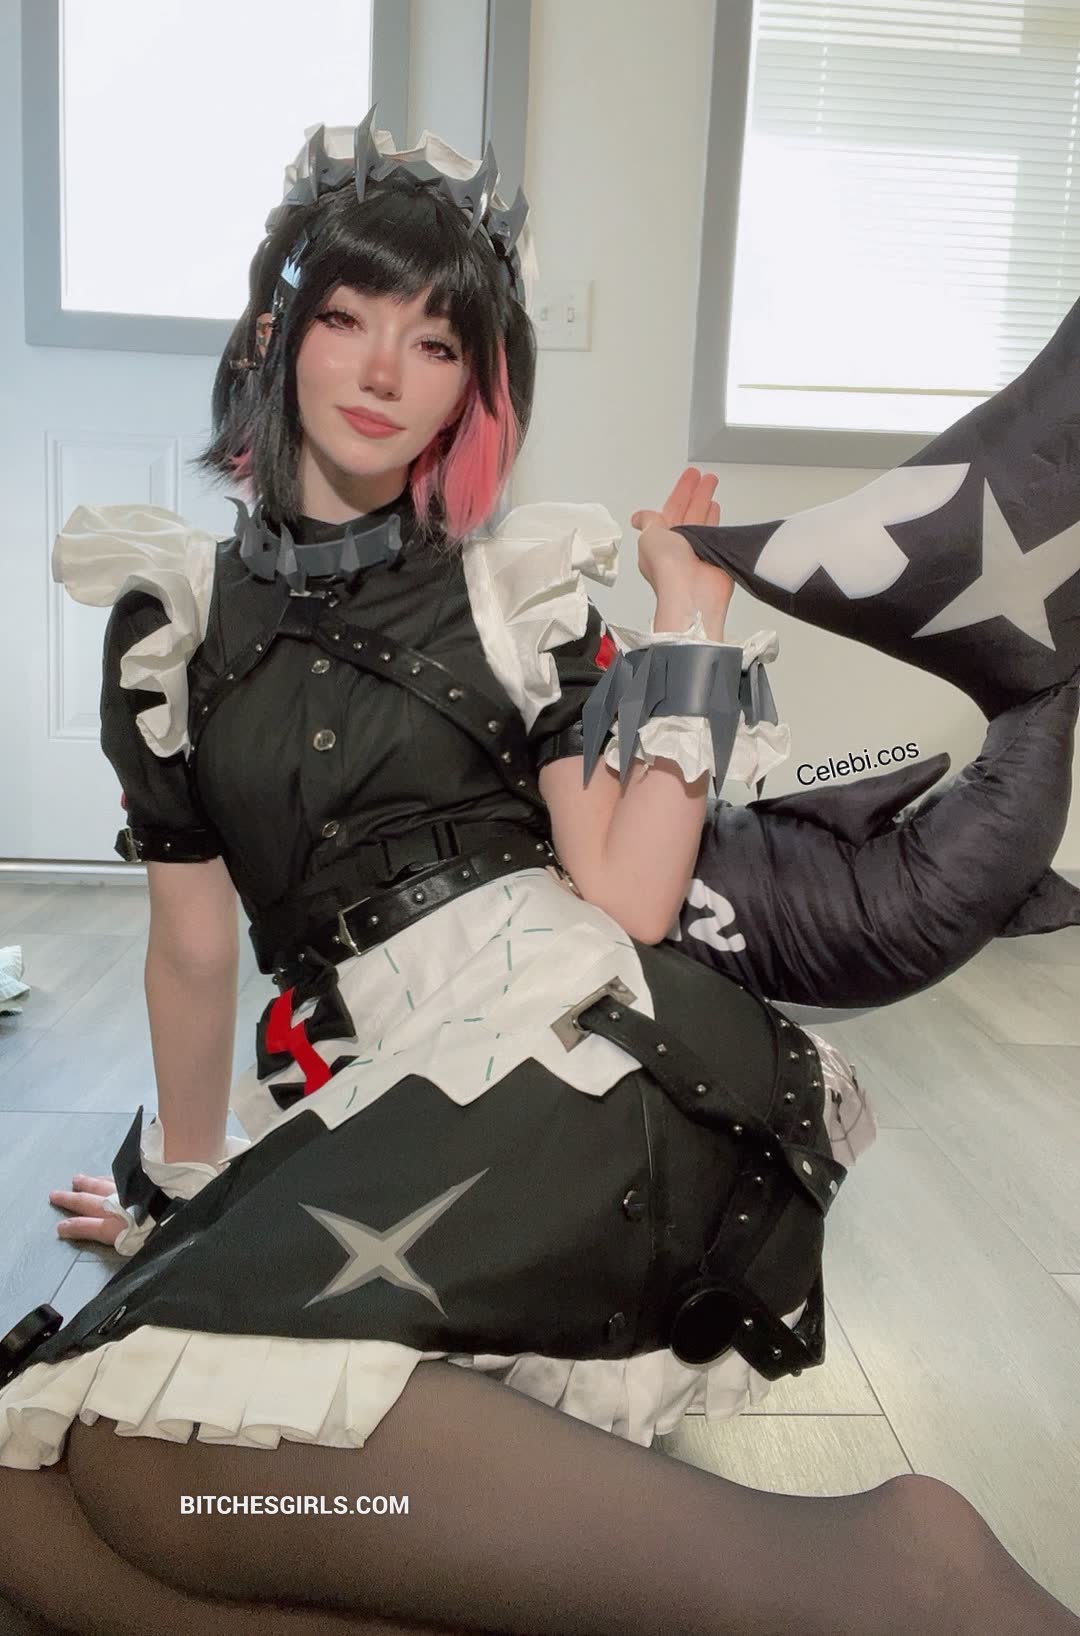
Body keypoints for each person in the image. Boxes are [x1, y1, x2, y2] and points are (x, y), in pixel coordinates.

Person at [0, 112, 1076, 1636]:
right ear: (276, 335)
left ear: (475, 385)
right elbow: (192, 944)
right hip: (369, 1079)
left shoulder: (514, 594)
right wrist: (187, 1192)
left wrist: (689, 623)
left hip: (555, 1036)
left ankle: (903, 1573)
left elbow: (628, 897)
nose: (386, 370)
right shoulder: (171, 622)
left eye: (437, 342)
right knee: (30, 1497)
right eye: (349, 318)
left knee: (146, 1461)